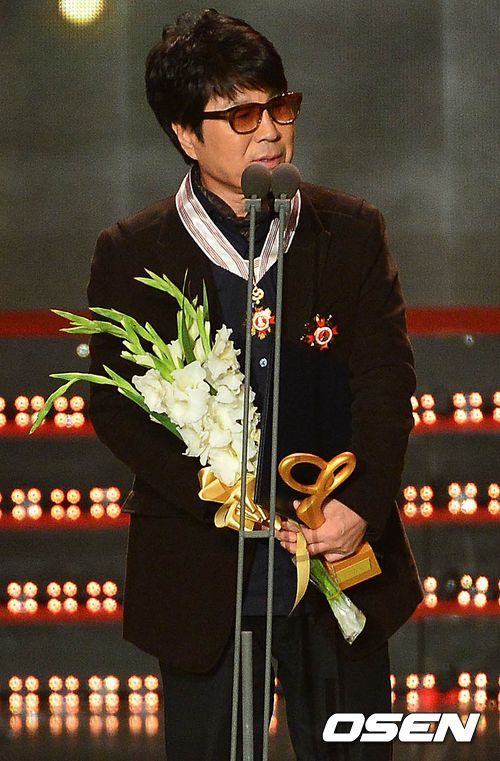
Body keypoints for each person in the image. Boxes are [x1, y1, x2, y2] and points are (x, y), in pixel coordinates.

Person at [87, 9, 422, 760]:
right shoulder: (134, 253)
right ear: (186, 134)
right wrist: (215, 496)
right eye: (242, 115)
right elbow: (111, 403)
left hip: (336, 556)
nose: (270, 129)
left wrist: (360, 505)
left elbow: (386, 381)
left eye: (280, 106)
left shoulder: (350, 232)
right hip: (204, 578)